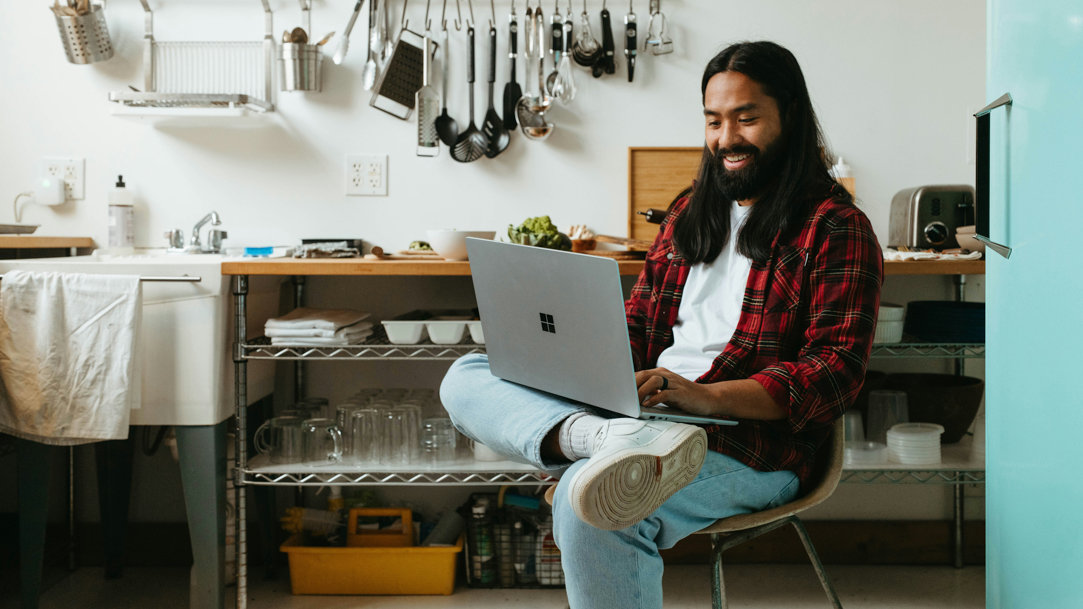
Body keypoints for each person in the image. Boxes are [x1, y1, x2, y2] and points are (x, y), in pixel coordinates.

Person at [440, 40, 882, 608]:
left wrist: (706, 398)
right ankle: (605, 438)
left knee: (590, 497)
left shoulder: (835, 226)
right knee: (468, 374)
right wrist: (579, 360)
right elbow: (639, 329)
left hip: (750, 446)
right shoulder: (689, 210)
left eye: (746, 118)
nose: (726, 139)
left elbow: (834, 373)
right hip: (642, 418)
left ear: (789, 117)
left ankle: (608, 448)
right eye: (714, 120)